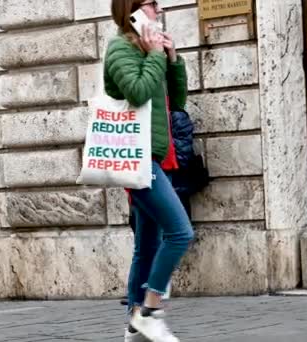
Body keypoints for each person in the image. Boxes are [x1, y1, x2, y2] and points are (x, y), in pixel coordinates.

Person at [105, 1, 194, 341]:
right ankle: (149, 311)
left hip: (158, 156)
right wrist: (155, 55)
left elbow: (178, 102)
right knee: (180, 233)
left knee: (147, 243)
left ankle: (133, 323)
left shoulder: (147, 48)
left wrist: (172, 59)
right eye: (150, 3)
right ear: (132, 9)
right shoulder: (120, 48)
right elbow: (139, 92)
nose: (157, 9)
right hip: (136, 157)